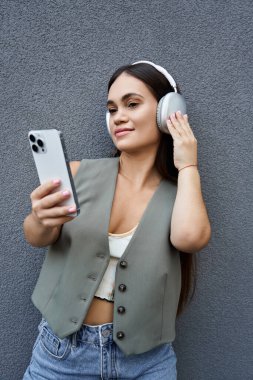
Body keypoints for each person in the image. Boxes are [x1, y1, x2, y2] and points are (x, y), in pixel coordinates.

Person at [22, 60, 211, 379]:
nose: (118, 116)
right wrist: (41, 217)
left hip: (146, 362)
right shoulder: (79, 171)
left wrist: (188, 165)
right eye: (111, 109)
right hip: (60, 355)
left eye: (132, 104)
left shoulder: (181, 194)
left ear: (168, 112)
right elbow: (36, 236)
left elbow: (189, 238)